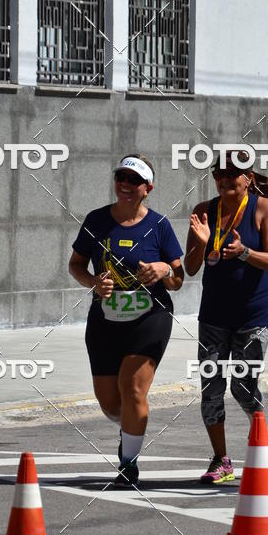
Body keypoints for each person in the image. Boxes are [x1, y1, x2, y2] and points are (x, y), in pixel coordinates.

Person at [69, 154, 184, 486]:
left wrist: (163, 269)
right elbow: (75, 264)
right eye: (121, 178)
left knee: (133, 389)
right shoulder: (96, 220)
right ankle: (130, 426)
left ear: (148, 188)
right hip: (105, 321)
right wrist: (93, 282)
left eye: (134, 181)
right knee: (110, 403)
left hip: (150, 318)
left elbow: (178, 279)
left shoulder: (159, 226)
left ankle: (129, 463)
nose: (126, 185)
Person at [185, 151, 268, 484]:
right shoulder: (203, 211)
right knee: (211, 388)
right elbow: (191, 267)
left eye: (233, 174)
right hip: (213, 316)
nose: (225, 179)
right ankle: (220, 460)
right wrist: (200, 243)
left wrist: (243, 252)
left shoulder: (263, 208)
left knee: (243, 387)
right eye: (219, 173)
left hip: (253, 316)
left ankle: (261, 452)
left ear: (248, 178)